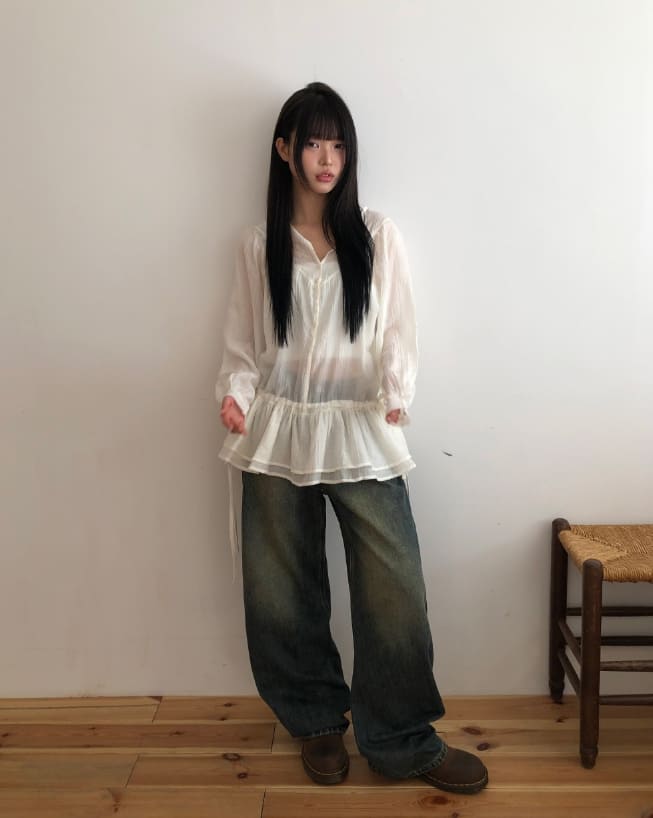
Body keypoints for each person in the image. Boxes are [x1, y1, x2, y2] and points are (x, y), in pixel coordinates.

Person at [216, 82, 488, 794]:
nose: (326, 158)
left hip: (361, 424)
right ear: (284, 150)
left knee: (392, 584)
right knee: (280, 587)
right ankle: (315, 723)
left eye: (338, 144)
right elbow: (244, 344)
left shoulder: (375, 234)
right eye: (312, 143)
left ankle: (401, 740)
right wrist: (235, 398)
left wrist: (396, 394)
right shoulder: (259, 245)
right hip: (277, 426)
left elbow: (397, 328)